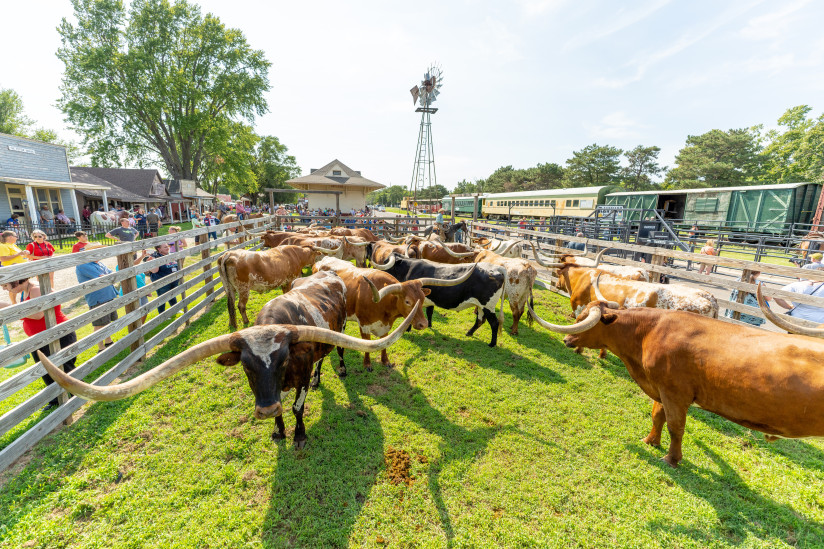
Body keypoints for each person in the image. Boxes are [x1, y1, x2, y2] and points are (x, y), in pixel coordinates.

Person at [4, 278, 76, 408]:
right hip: (39, 339)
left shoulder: (36, 289)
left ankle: (77, 395)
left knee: (64, 368)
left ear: (16, 281)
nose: (4, 288)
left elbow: (38, 314)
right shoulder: (24, 291)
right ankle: (55, 399)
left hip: (57, 335)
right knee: (45, 370)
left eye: (5, 285)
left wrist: (10, 309)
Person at [75, 259, 118, 351]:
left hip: (108, 294)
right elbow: (102, 277)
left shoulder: (99, 263)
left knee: (106, 321)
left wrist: (108, 276)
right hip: (98, 297)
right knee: (99, 324)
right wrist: (108, 276)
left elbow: (111, 274)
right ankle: (101, 347)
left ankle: (108, 341)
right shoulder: (83, 265)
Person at [144, 243, 180, 314]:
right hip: (162, 281)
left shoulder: (170, 255)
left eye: (167, 246)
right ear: (159, 249)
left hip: (173, 280)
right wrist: (153, 260)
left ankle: (175, 309)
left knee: (172, 295)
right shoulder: (155, 257)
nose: (168, 248)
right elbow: (155, 270)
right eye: (165, 247)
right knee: (162, 298)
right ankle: (162, 314)